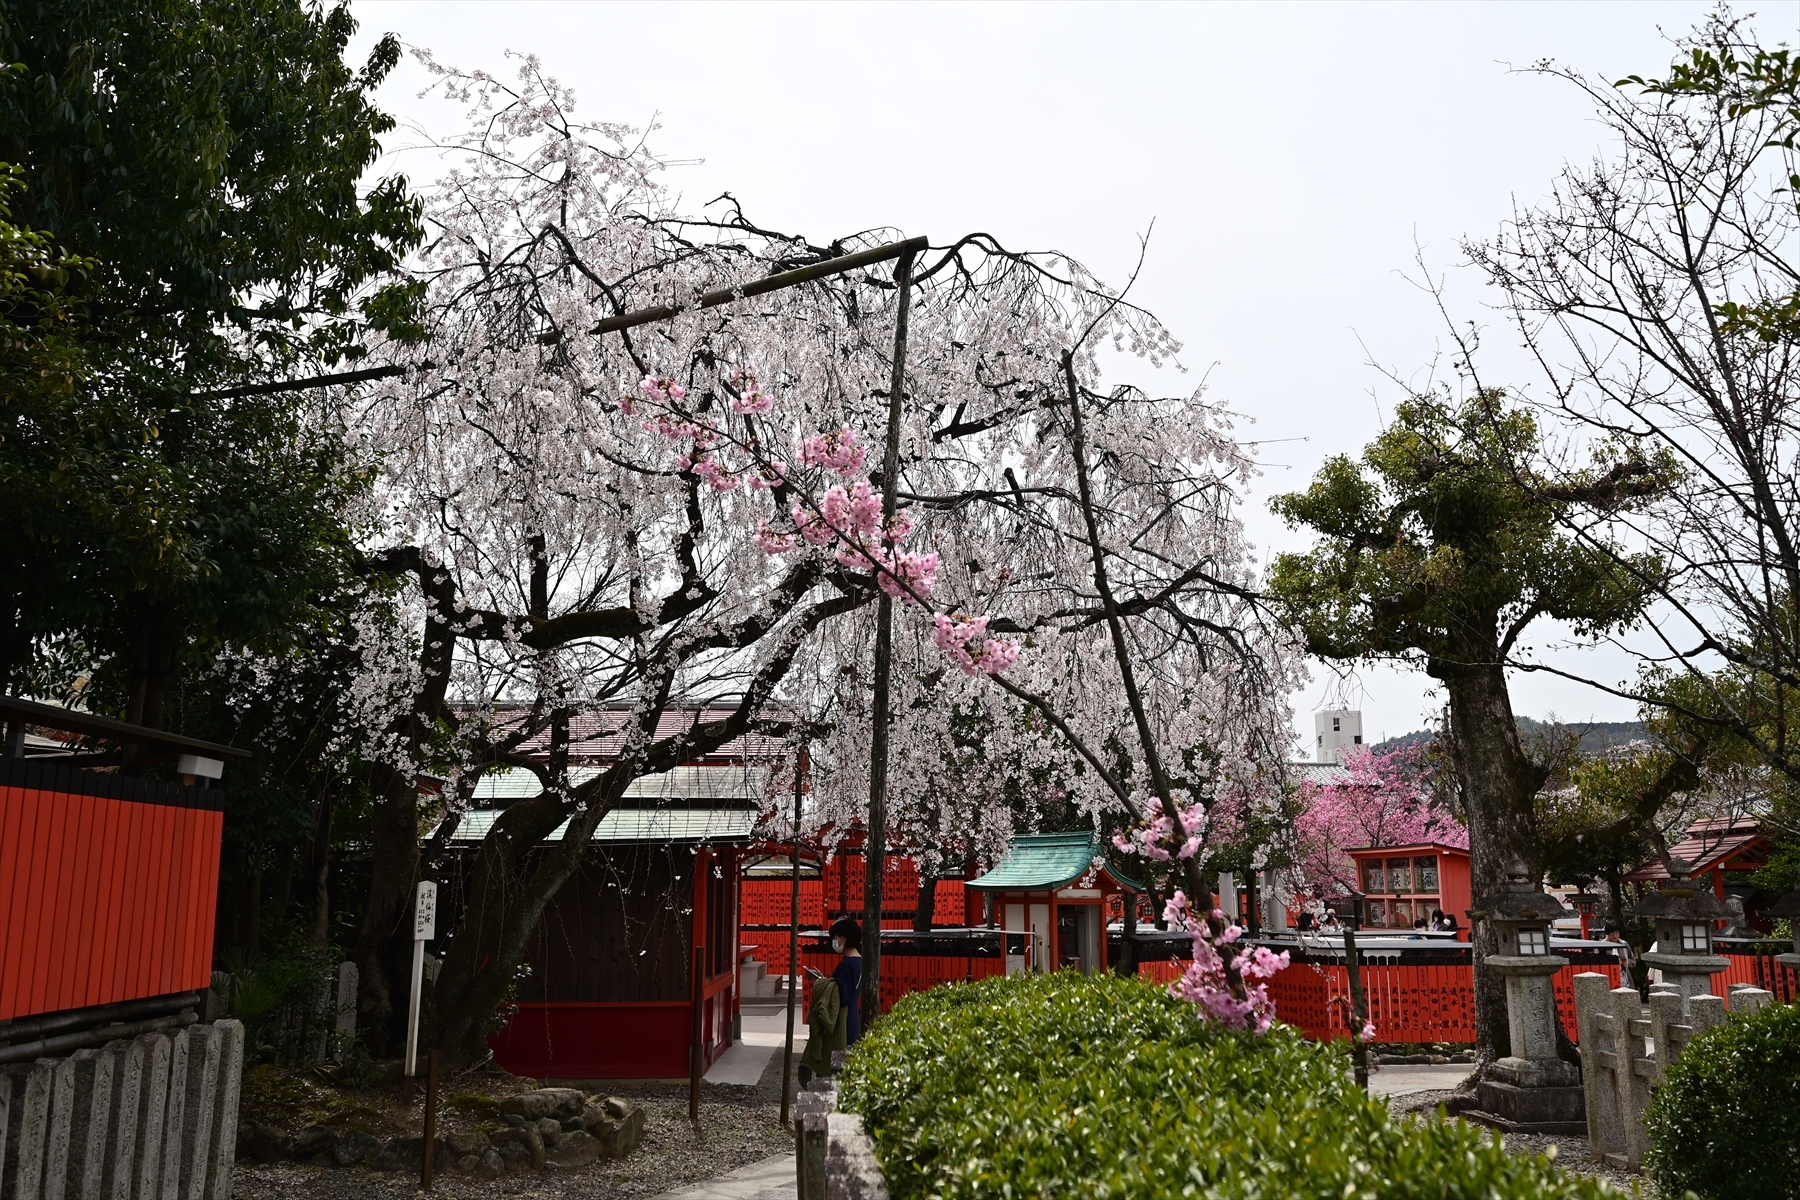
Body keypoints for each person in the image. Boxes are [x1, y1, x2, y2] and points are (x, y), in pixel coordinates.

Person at [828, 916, 864, 1045]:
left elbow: (841, 994)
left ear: (844, 938)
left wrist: (821, 983)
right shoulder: (859, 961)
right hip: (853, 1015)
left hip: (844, 1020)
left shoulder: (848, 964)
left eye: (835, 937)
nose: (834, 941)